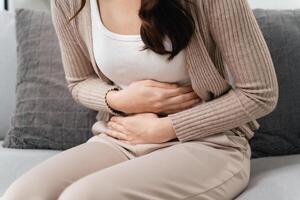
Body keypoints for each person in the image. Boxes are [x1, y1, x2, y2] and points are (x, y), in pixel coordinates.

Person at [2, 0, 279, 199]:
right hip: (124, 136)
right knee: (22, 195)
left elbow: (260, 93)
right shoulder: (70, 3)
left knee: (83, 197)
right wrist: (120, 100)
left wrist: (166, 127)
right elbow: (78, 82)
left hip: (209, 142)